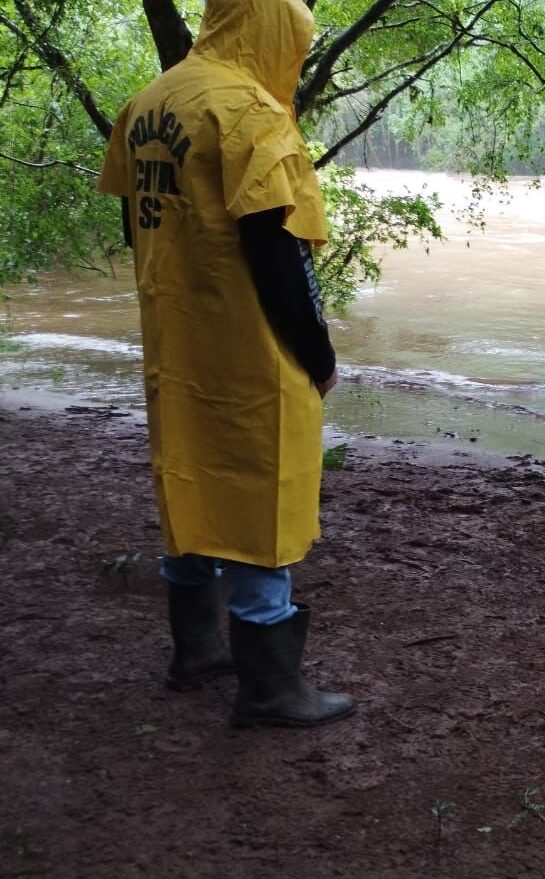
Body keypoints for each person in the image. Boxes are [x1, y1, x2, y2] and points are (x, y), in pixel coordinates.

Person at [97, 0, 354, 728]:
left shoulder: (152, 101)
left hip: (176, 343)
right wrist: (320, 355)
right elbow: (280, 253)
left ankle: (197, 648)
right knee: (257, 497)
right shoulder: (252, 114)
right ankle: (270, 687)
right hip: (249, 352)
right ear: (270, 31)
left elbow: (136, 224)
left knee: (190, 480)